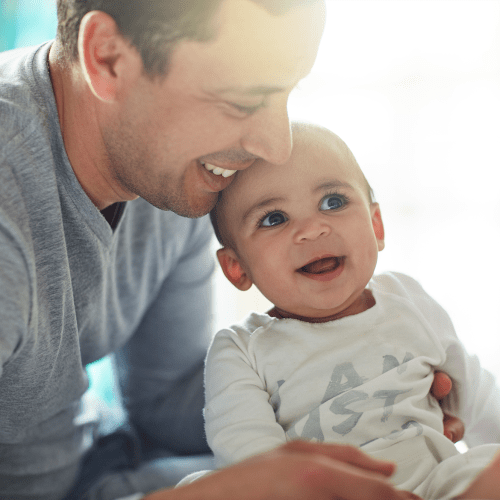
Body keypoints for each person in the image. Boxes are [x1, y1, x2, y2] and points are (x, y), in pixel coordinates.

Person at [0, 0, 463, 498]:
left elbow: (161, 398)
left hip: (103, 469)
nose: (275, 146)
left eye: (288, 91)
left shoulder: (171, 175)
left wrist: (350, 381)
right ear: (109, 58)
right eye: (243, 102)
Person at [182, 122, 500, 499]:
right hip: (324, 492)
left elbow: (475, 396)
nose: (312, 229)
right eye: (274, 218)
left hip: (435, 483)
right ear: (238, 267)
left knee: (485, 463)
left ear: (376, 224)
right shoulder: (241, 349)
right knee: (201, 488)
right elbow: (249, 454)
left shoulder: (407, 299)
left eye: (333, 202)